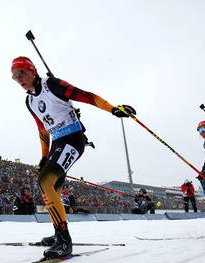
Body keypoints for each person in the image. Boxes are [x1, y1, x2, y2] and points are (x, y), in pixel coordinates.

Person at [11, 56, 136, 259]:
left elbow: (86, 96)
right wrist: (44, 156)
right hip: (58, 142)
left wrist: (113, 108)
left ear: (32, 70)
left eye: (22, 73)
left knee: (45, 182)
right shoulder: (29, 100)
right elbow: (42, 129)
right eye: (15, 76)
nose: (19, 79)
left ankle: (64, 242)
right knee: (53, 188)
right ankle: (58, 234)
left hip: (73, 139)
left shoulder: (52, 84)